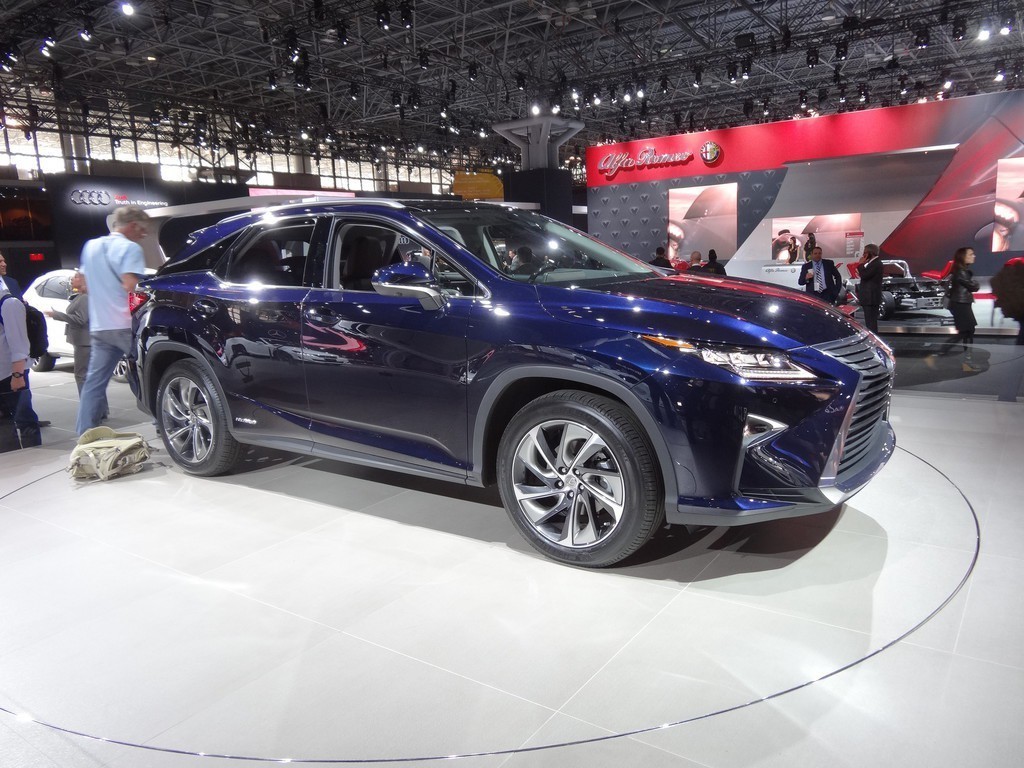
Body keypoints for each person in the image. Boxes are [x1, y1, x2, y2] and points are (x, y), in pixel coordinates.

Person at [76, 206, 150, 435]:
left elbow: (84, 286)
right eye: (143, 229)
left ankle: (85, 433)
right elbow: (130, 287)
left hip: (100, 326)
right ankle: (165, 424)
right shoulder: (131, 248)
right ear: (133, 225)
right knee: (149, 375)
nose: (144, 234)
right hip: (125, 325)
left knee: (94, 383)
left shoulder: (91, 246)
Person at [48, 272, 106, 418]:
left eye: (75, 277)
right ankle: (100, 410)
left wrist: (57, 315)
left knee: (82, 376)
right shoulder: (84, 296)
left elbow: (80, 320)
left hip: (85, 342)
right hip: (88, 341)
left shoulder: (85, 298)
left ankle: (91, 411)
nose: (72, 279)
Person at [1, 277, 40, 450]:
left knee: (24, 417)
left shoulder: (9, 303)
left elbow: (19, 345)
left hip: (10, 374)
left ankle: (34, 454)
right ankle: (12, 456)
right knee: (5, 423)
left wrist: (18, 375)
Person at [942, 246, 981, 369]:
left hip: (962, 304)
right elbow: (974, 287)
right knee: (966, 331)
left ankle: (966, 360)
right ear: (962, 257)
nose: (974, 256)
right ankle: (942, 352)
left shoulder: (961, 270)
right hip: (960, 304)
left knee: (967, 331)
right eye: (971, 254)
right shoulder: (961, 272)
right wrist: (976, 283)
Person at [857, 243, 884, 334]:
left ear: (870, 253)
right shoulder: (873, 263)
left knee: (871, 323)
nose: (863, 255)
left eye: (865, 252)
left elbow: (865, 275)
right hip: (870, 298)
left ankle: (873, 339)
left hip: (871, 298)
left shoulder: (876, 263)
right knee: (870, 322)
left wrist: (860, 265)